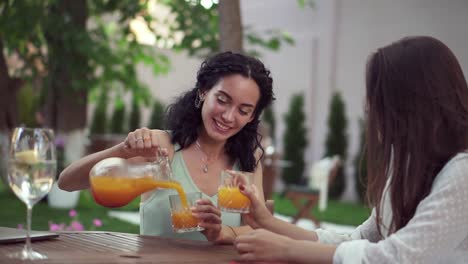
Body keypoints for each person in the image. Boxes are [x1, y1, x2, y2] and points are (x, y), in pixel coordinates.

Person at [233, 36, 468, 263]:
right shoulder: (407, 163)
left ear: (410, 104)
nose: (367, 105)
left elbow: (399, 257)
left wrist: (286, 249)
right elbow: (357, 241)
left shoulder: (461, 172)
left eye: (377, 95)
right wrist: (268, 221)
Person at [58, 51, 274, 243]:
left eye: (243, 111)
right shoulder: (162, 147)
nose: (228, 116)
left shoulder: (248, 159)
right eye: (222, 100)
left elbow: (258, 226)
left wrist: (223, 233)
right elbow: (66, 182)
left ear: (252, 116)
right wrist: (122, 150)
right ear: (203, 92)